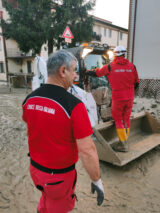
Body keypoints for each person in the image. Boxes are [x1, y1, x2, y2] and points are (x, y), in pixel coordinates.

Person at [22, 50, 104, 213]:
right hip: (58, 179)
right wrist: (96, 180)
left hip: (36, 171)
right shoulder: (74, 105)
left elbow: (30, 131)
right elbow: (87, 150)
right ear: (63, 71)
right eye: (74, 70)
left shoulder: (29, 99)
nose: (75, 76)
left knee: (46, 199)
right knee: (57, 205)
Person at [86, 45, 139, 152]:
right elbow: (137, 83)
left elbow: (97, 73)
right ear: (124, 54)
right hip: (129, 97)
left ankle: (122, 145)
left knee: (118, 119)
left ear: (115, 54)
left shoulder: (110, 66)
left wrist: (87, 71)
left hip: (118, 98)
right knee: (126, 118)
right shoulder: (132, 66)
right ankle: (124, 140)